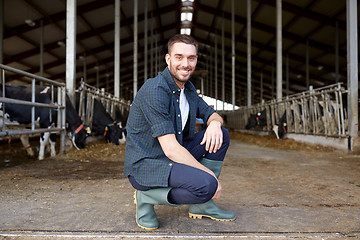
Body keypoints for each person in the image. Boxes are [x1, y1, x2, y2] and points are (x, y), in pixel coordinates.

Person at [124, 34, 236, 230]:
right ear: (168, 59)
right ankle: (145, 197)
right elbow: (171, 150)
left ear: (196, 60)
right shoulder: (155, 90)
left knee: (222, 135)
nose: (186, 64)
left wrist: (215, 125)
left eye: (191, 58)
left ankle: (203, 205)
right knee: (207, 185)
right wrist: (210, 175)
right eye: (179, 57)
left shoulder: (188, 89)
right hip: (148, 164)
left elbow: (213, 115)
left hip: (172, 157)